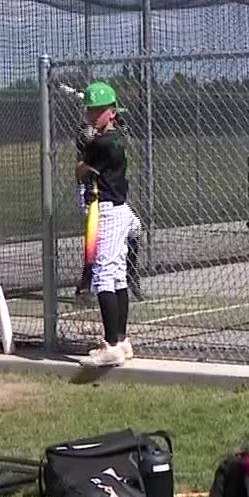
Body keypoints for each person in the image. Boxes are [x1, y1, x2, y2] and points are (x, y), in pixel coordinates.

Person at [77, 81, 141, 364]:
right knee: (116, 275)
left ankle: (112, 345)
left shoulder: (103, 143)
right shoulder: (113, 139)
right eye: (90, 111)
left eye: (100, 111)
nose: (93, 116)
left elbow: (81, 170)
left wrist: (84, 152)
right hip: (117, 207)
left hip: (107, 209)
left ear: (112, 112)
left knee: (104, 273)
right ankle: (122, 339)